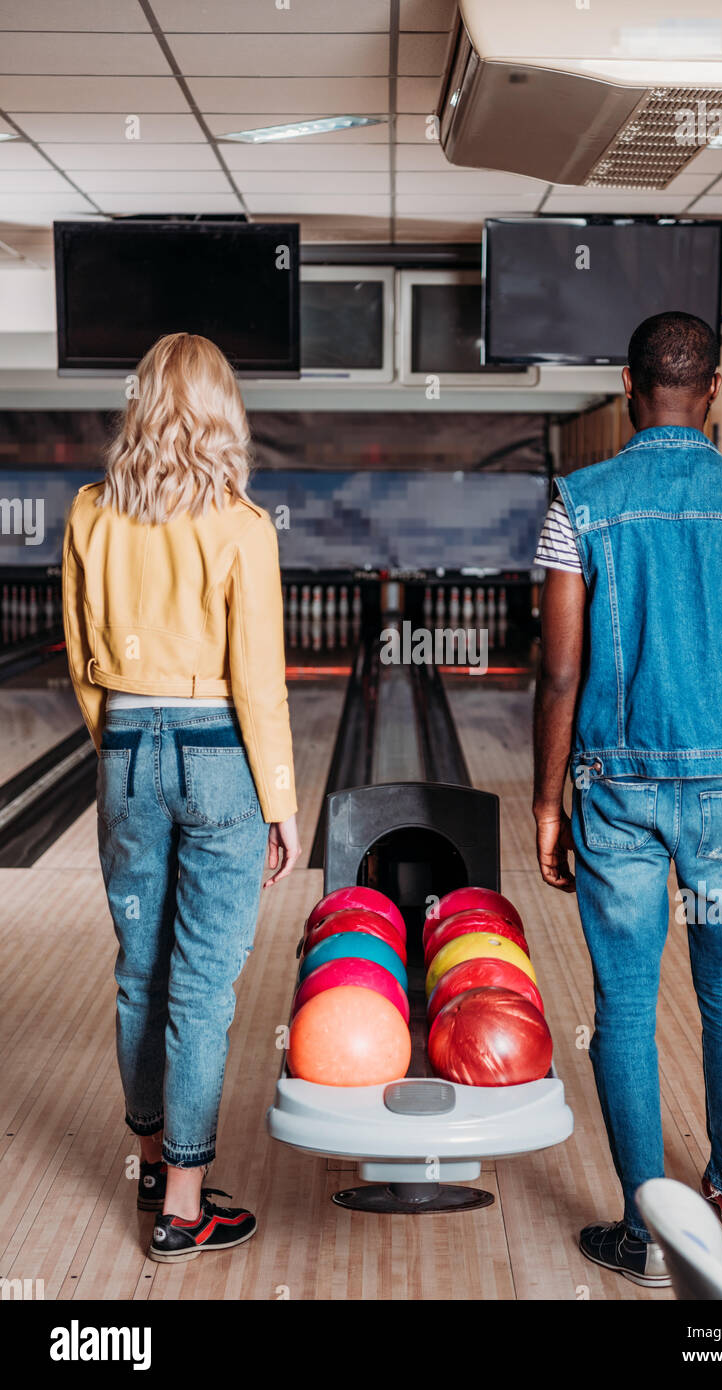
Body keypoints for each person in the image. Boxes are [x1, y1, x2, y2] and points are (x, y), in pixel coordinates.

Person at [533, 311, 722, 1288]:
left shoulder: (581, 499)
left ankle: (650, 1235)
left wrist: (545, 800)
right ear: (719, 388)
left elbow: (558, 675)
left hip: (618, 794)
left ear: (626, 383)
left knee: (627, 1009)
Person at [63, 332, 301, 1263]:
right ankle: (183, 1210)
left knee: (139, 972)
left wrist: (115, 744)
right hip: (219, 758)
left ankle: (156, 1167)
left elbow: (81, 657)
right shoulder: (244, 524)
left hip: (125, 748)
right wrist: (280, 800)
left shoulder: (88, 513)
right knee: (201, 986)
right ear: (223, 414)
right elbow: (259, 681)